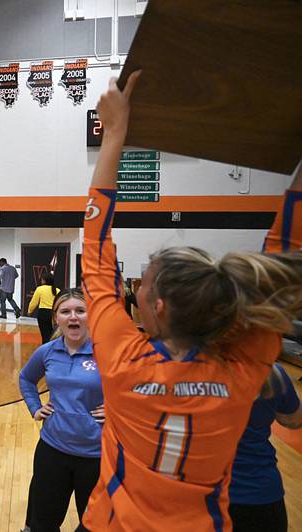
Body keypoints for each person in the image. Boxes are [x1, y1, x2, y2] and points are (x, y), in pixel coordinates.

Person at [80, 72, 302, 531]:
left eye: (142, 284)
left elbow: (96, 252)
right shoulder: (240, 370)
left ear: (157, 306)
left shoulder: (124, 361)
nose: (135, 289)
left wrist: (114, 133)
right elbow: (288, 251)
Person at [18, 288, 103, 532]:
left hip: (97, 455)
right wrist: (35, 408)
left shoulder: (106, 352)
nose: (73, 317)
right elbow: (26, 378)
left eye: (80, 311)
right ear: (56, 318)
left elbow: (135, 388)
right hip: (52, 450)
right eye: (65, 311)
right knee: (43, 523)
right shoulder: (48, 351)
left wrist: (118, 409)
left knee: (94, 526)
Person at [229, 364, 302, 532]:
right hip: (256, 492)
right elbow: (293, 421)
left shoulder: (173, 367)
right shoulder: (270, 372)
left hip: (197, 495)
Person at [27, 273, 60, 343]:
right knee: (54, 334)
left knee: (45, 334)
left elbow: (34, 302)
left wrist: (30, 311)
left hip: (43, 313)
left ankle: (45, 350)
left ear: (44, 281)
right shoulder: (57, 290)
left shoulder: (40, 289)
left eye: (42, 280)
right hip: (54, 314)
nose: (41, 281)